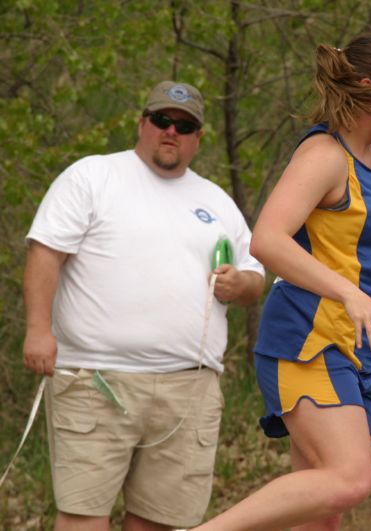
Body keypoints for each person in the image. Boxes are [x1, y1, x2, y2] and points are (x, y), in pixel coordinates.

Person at [192, 34, 371, 530]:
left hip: (355, 347)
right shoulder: (326, 154)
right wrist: (350, 294)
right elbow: (267, 240)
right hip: (309, 339)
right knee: (349, 480)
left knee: (323, 514)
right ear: (368, 89)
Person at [22, 80, 266, 531]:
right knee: (83, 515)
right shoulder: (93, 176)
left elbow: (256, 276)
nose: (171, 131)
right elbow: (45, 253)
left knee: (160, 520)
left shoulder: (217, 201)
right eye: (161, 120)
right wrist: (39, 330)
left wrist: (240, 284)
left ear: (198, 137)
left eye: (184, 125)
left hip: (188, 388)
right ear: (143, 123)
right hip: (96, 378)